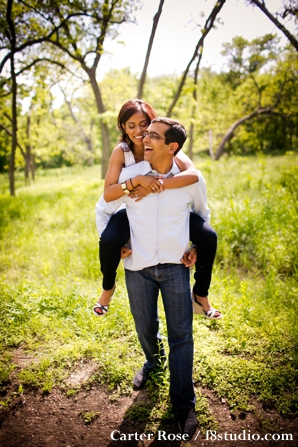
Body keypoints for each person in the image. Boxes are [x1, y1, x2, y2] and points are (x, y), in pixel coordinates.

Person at [95, 117, 217, 438]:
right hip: (139, 266)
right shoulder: (131, 176)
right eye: (143, 134)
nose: (143, 139)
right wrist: (114, 241)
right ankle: (152, 363)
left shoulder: (190, 180)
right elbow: (104, 207)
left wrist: (196, 247)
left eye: (152, 136)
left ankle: (183, 404)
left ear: (172, 146)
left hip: (177, 266)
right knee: (145, 328)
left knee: (182, 335)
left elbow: (202, 214)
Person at [93, 99, 221, 320]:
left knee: (208, 236)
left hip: (170, 205)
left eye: (144, 124)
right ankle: (107, 288)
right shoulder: (122, 151)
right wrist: (138, 181)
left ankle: (201, 295)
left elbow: (192, 174)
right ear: (123, 127)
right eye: (131, 125)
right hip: (133, 208)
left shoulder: (165, 143)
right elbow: (108, 194)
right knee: (109, 240)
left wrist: (154, 186)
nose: (139, 131)